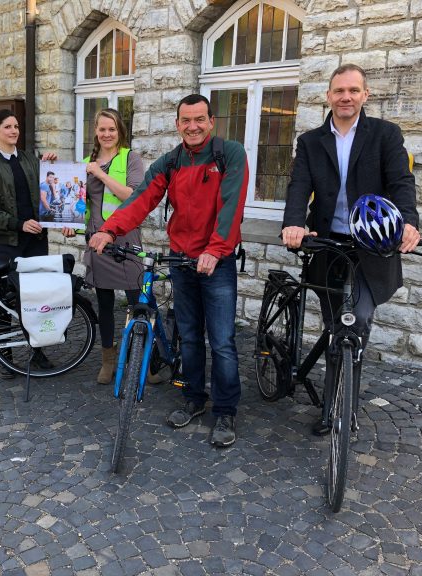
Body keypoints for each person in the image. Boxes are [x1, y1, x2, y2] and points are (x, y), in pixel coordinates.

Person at [89, 95, 248, 447]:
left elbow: (231, 205)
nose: (193, 126)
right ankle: (193, 397)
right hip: (182, 259)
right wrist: (109, 229)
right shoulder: (171, 161)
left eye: (200, 120)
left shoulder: (230, 154)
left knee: (221, 340)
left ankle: (224, 411)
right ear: (177, 124)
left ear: (211, 121)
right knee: (188, 334)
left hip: (216, 262)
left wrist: (216, 250)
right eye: (186, 120)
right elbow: (142, 198)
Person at [281, 63, 421, 435]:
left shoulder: (385, 135)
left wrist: (409, 221)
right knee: (333, 326)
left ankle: (344, 407)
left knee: (355, 324)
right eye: (339, 91)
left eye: (353, 91)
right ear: (328, 96)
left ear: (365, 95)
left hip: (370, 246)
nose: (346, 97)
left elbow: (402, 181)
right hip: (328, 243)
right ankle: (330, 406)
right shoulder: (311, 141)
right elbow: (299, 185)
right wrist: (293, 222)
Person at [62, 108, 145, 385]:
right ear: (95, 132)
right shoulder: (85, 163)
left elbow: (132, 197)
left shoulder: (130, 158)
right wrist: (70, 224)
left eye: (112, 129)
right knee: (106, 304)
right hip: (98, 241)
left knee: (137, 302)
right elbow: (80, 205)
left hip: (127, 239)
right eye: (102, 129)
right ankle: (108, 361)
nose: (107, 134)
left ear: (119, 130)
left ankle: (145, 359)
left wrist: (100, 173)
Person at [0, 108, 57, 373]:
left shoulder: (30, 160)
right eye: (8, 126)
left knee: (36, 297)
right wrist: (19, 224)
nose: (14, 131)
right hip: (9, 241)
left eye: (16, 126)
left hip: (36, 240)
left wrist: (50, 166)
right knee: (7, 297)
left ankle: (38, 351)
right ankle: (4, 355)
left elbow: (47, 190)